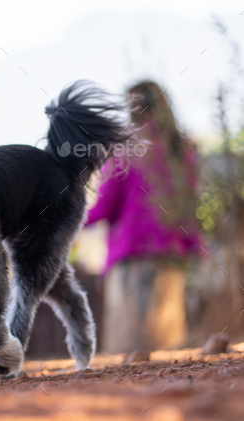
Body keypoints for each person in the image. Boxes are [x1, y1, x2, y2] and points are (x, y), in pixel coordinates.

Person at [85, 81, 202, 354]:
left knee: (129, 358)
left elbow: (105, 206)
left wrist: (63, 219)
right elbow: (189, 204)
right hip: (171, 258)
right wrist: (195, 246)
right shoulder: (181, 146)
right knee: (171, 354)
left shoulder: (126, 145)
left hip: (131, 261)